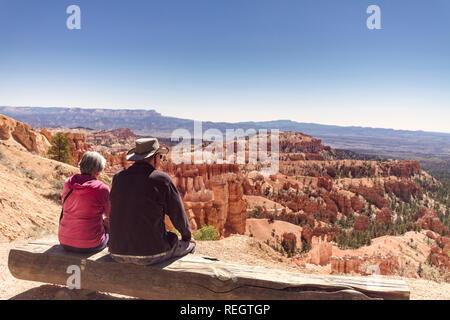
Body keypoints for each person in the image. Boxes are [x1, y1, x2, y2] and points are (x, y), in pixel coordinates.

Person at [108, 138, 195, 265]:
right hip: (151, 253)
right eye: (159, 156)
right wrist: (187, 237)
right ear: (155, 157)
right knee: (190, 246)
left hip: (116, 252)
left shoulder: (118, 178)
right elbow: (177, 214)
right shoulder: (161, 180)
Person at [58, 151, 110, 253]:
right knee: (109, 224)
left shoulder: (68, 183)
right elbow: (109, 214)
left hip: (64, 241)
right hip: (92, 244)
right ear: (98, 170)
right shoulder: (101, 188)